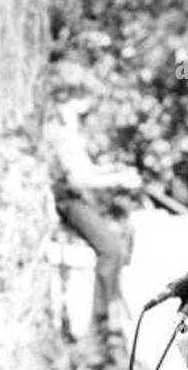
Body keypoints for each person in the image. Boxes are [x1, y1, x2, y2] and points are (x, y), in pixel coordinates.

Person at [46, 83, 140, 339]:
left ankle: (114, 312)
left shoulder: (70, 135)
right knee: (111, 249)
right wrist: (118, 181)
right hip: (68, 202)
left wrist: (116, 171)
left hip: (76, 198)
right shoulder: (62, 135)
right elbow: (78, 180)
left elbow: (88, 170)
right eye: (81, 110)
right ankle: (103, 322)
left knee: (122, 240)